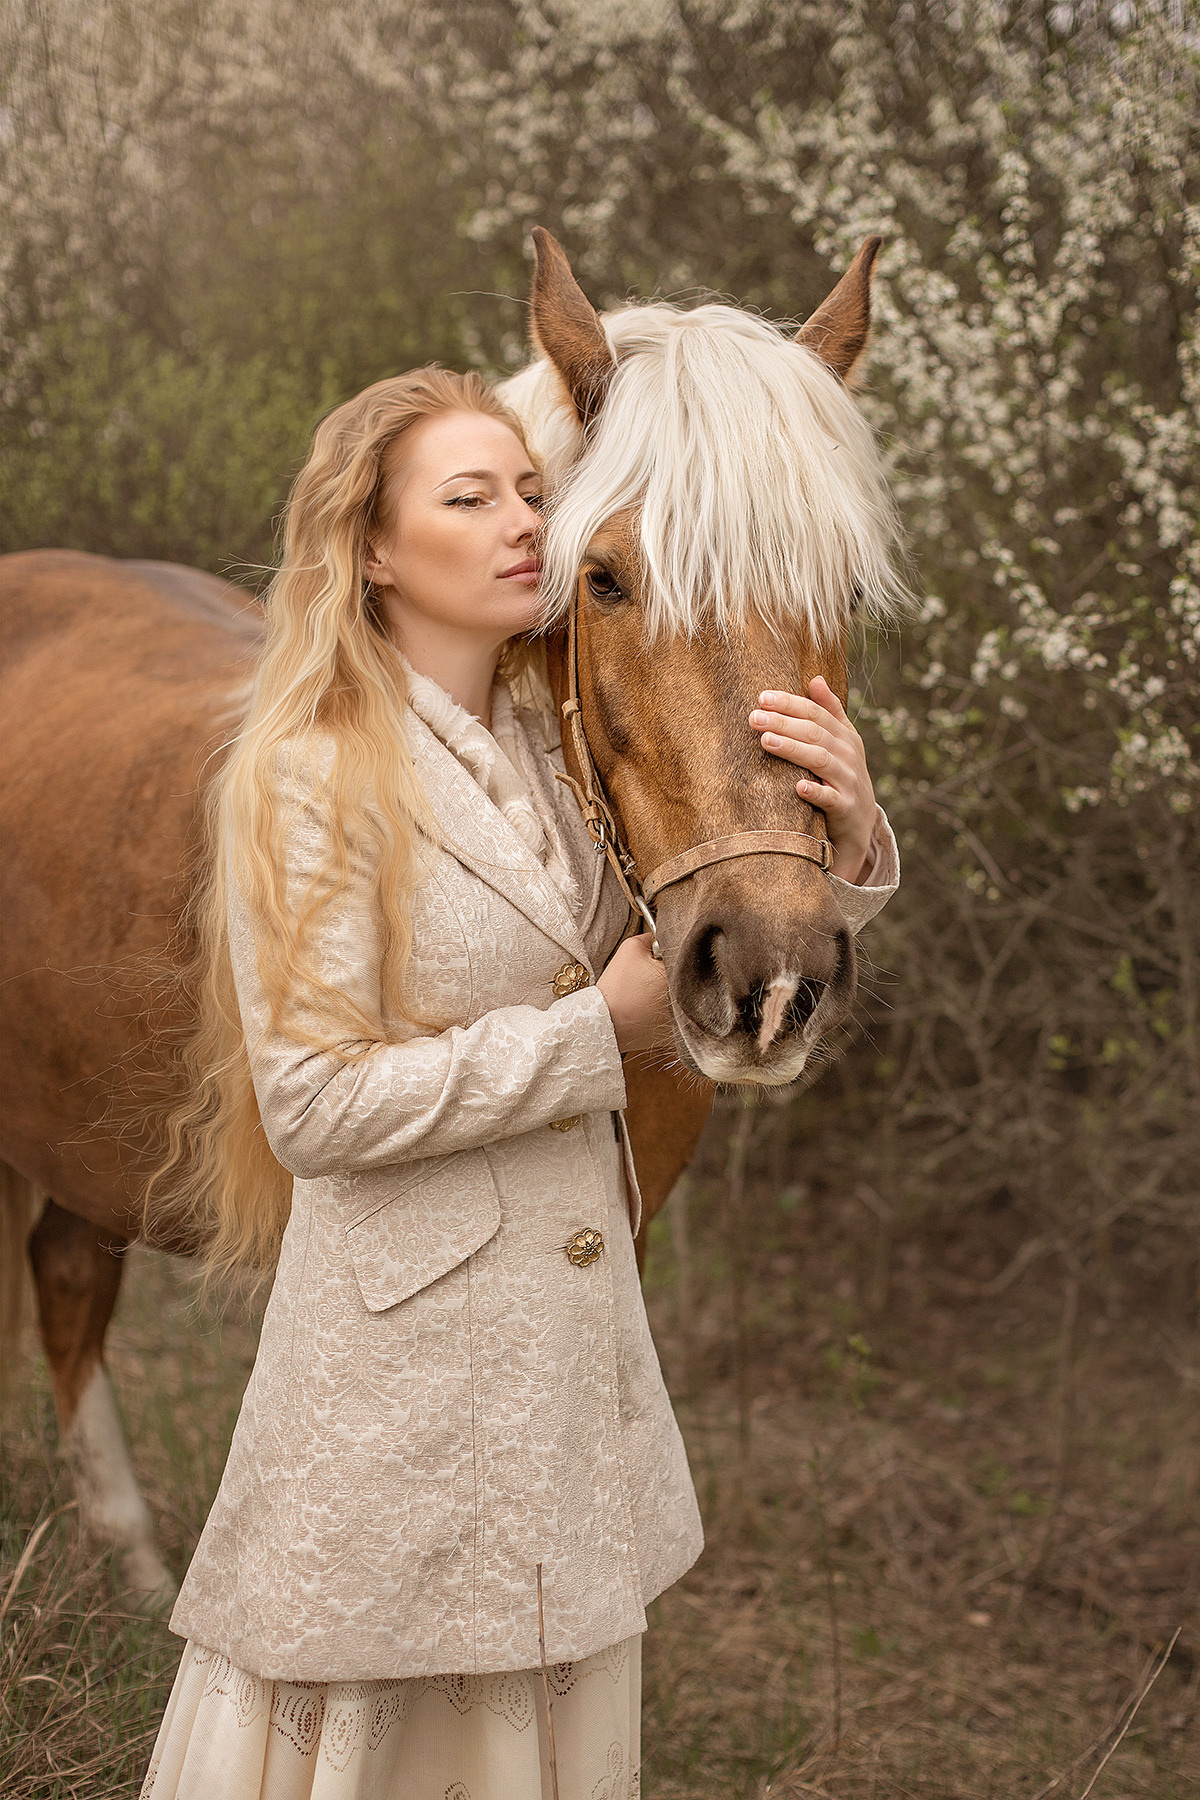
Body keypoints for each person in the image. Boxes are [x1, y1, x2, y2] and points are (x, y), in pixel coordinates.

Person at [140, 366, 898, 1800]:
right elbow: (312, 1109)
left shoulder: (556, 757)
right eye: (469, 496)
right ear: (371, 546)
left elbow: (702, 966)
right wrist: (586, 1039)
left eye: (533, 493)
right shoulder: (310, 772)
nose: (521, 524)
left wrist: (843, 851)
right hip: (400, 1392)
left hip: (558, 1382)